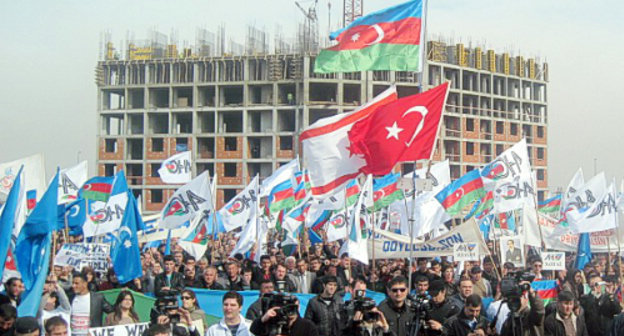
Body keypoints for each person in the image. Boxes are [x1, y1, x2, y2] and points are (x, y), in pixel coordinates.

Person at [251, 297, 318, 336]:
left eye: (293, 307)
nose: (290, 311)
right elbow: (253, 330)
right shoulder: (272, 322)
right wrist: (263, 319)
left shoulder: (308, 326)